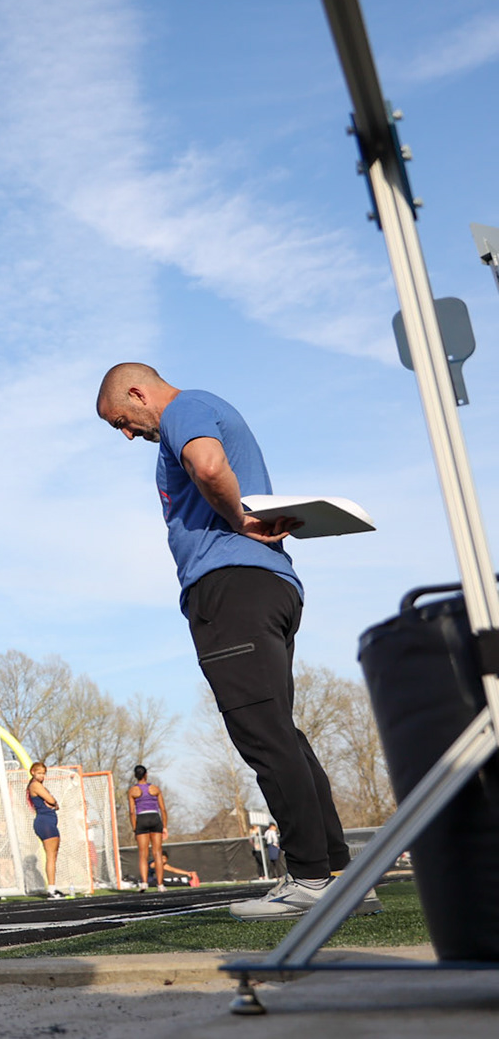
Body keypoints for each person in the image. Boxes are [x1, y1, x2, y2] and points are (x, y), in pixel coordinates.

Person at [96, 362, 373, 920]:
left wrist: (236, 517)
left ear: (136, 392)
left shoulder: (184, 409)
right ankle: (340, 876)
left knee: (264, 736)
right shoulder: (196, 409)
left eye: (123, 421)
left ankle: (312, 879)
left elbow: (207, 463)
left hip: (232, 588)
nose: (128, 435)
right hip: (267, 587)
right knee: (282, 733)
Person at [124, 766, 168, 891]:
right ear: (146, 774)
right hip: (154, 817)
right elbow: (163, 809)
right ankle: (160, 885)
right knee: (157, 853)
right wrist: (164, 826)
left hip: (141, 819)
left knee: (143, 854)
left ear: (135, 776)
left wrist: (134, 828)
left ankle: (144, 883)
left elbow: (132, 812)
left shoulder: (133, 791)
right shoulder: (155, 789)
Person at [26, 762, 64, 897]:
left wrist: (54, 803)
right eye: (39, 773)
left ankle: (53, 887)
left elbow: (54, 803)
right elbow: (52, 800)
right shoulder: (35, 785)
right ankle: (52, 889)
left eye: (43, 773)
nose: (42, 776)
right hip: (44, 822)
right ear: (32, 772)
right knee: (51, 856)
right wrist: (53, 802)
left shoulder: (40, 785)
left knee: (53, 856)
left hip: (48, 821)